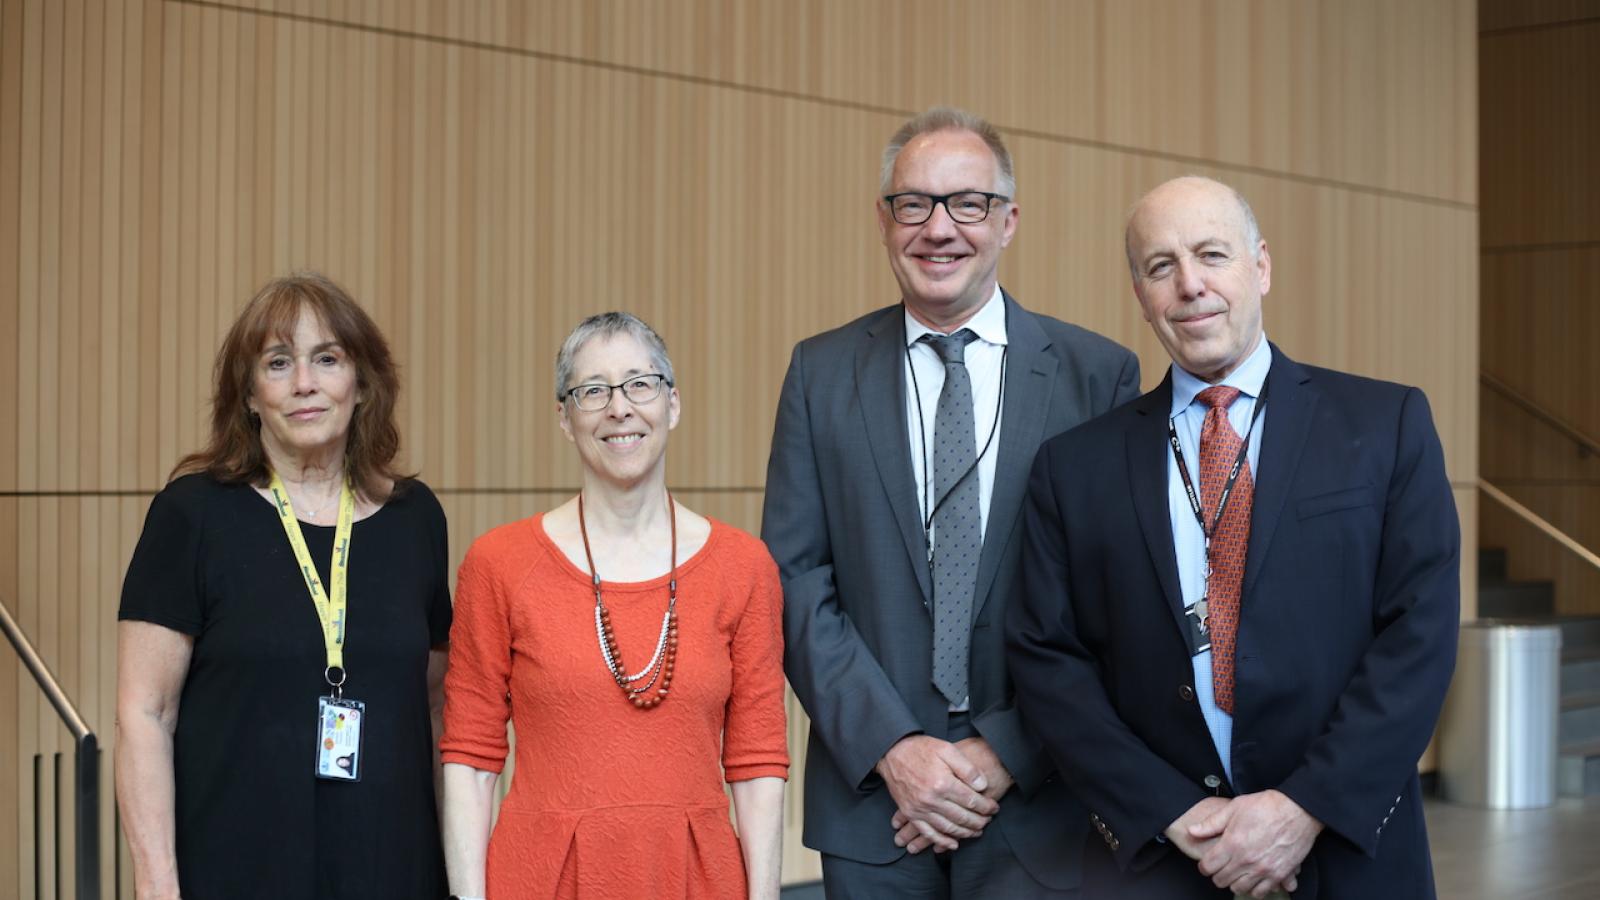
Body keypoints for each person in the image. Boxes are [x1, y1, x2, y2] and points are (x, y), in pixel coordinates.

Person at [1007, 176, 1461, 899]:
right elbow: (1047, 661)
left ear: (1262, 267)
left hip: (1345, 854)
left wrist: (1303, 808)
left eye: (1212, 254)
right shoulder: (1074, 467)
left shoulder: (1383, 427)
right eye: (1162, 266)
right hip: (1160, 864)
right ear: (1141, 295)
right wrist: (1171, 812)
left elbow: (1420, 635)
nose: (1190, 284)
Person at [762, 106, 1141, 898]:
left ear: (1008, 220)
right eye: (915, 203)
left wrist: (1004, 752)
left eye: (967, 203)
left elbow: (1115, 598)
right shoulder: (820, 373)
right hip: (874, 806)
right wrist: (896, 749)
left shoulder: (1095, 377)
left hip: (1043, 802)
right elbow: (794, 580)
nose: (940, 228)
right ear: (884, 219)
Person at [115, 273, 452, 899]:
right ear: (248, 394)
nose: (305, 383)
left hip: (393, 869)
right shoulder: (193, 515)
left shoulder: (417, 520)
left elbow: (436, 712)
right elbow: (144, 714)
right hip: (235, 869)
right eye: (278, 362)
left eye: (327, 358)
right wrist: (157, 888)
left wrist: (461, 876)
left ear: (362, 384)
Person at [439, 312, 787, 900]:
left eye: (640, 384)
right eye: (592, 390)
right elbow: (471, 761)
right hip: (540, 877)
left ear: (672, 404)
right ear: (565, 419)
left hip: (697, 879)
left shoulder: (744, 567)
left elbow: (757, 767)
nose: (619, 408)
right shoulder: (499, 563)